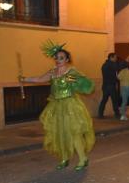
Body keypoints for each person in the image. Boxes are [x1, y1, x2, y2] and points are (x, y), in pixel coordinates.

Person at [20, 41, 95, 170]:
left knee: (74, 133)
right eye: (56, 58)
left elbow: (83, 83)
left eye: (61, 58)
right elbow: (40, 79)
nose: (58, 60)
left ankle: (83, 159)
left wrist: (69, 79)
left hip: (70, 105)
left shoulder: (71, 72)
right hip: (56, 106)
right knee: (60, 133)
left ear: (67, 59)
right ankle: (64, 158)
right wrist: (25, 79)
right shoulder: (53, 72)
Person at [98, 53, 122, 119]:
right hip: (111, 85)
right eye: (115, 57)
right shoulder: (111, 64)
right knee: (114, 100)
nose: (116, 59)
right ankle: (117, 113)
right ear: (111, 57)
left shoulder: (104, 65)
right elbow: (117, 68)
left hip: (105, 85)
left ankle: (100, 114)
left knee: (104, 100)